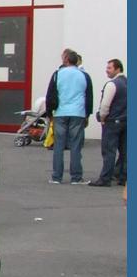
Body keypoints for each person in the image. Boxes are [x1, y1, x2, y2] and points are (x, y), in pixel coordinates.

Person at [45, 49, 94, 184]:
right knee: (76, 146)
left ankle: (56, 177)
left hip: (61, 112)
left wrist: (49, 113)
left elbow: (50, 94)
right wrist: (87, 114)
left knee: (59, 146)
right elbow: (89, 97)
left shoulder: (58, 74)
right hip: (78, 113)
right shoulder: (84, 75)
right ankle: (76, 177)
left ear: (66, 60)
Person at [89, 59, 127, 187]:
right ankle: (124, 176)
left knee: (109, 151)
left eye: (110, 68)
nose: (107, 70)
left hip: (113, 122)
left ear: (118, 69)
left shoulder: (112, 84)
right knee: (125, 151)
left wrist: (102, 116)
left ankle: (106, 177)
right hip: (126, 121)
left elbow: (105, 104)